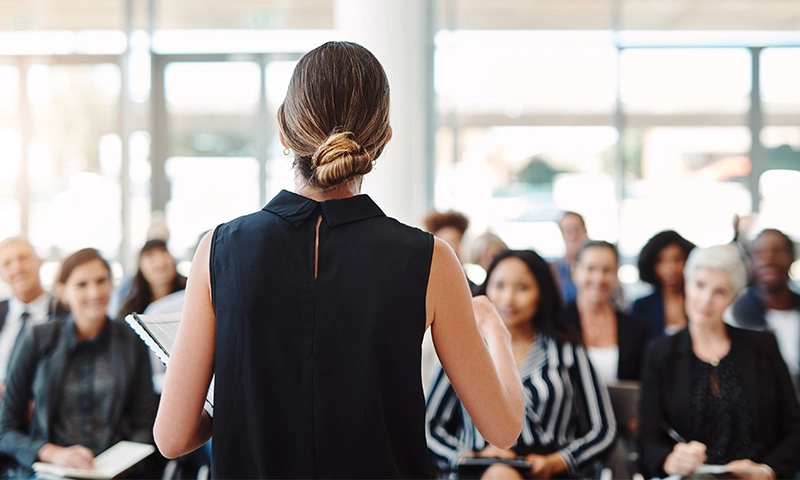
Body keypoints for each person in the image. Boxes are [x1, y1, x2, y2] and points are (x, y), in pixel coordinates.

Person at [153, 41, 524, 479]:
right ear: (384, 136)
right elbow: (503, 427)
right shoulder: (431, 261)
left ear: (284, 130)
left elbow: (172, 438)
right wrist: (494, 329)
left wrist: (245, 405)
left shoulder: (220, 249)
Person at [426, 250, 616, 479]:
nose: (508, 299)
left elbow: (603, 430)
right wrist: (467, 458)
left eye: (522, 288)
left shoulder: (568, 351)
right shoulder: (463, 348)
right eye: (499, 286)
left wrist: (556, 462)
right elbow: (429, 427)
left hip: (550, 469)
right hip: (479, 468)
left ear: (541, 294)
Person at [638, 244, 800, 480]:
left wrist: (768, 471)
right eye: (700, 285)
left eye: (720, 292)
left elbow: (795, 428)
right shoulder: (660, 352)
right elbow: (648, 437)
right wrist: (669, 460)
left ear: (733, 297)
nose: (706, 300)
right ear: (686, 282)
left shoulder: (762, 347)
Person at [0, 248, 160, 477]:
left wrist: (124, 464)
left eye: (101, 281)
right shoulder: (37, 338)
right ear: (63, 292)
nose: (94, 292)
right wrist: (51, 453)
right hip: (51, 470)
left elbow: (146, 422)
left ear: (112, 285)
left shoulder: (131, 339)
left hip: (116, 471)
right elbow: (5, 430)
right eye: (81, 285)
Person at [561, 241, 652, 383]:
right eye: (591, 269)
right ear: (575, 271)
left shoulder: (637, 329)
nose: (599, 278)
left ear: (616, 274)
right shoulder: (557, 321)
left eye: (607, 270)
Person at [728, 228, 800, 394]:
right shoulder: (735, 313)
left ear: (791, 256)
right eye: (759, 253)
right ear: (750, 261)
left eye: (777, 251)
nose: (768, 259)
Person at [0, 237, 67, 401]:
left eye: (23, 258)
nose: (17, 268)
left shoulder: (65, 314)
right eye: (7, 263)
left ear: (39, 261)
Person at [630, 230, 695, 337]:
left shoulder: (699, 302)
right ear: (651, 265)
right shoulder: (642, 306)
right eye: (661, 261)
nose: (671, 268)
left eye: (677, 259)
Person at [117, 239, 187, 319]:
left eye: (163, 252)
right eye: (150, 256)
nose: (159, 262)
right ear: (141, 267)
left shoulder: (191, 292)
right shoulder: (131, 307)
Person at [551, 212, 588, 305]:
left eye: (577, 229)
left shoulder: (600, 267)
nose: (573, 235)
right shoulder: (554, 270)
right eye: (568, 230)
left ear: (585, 231)